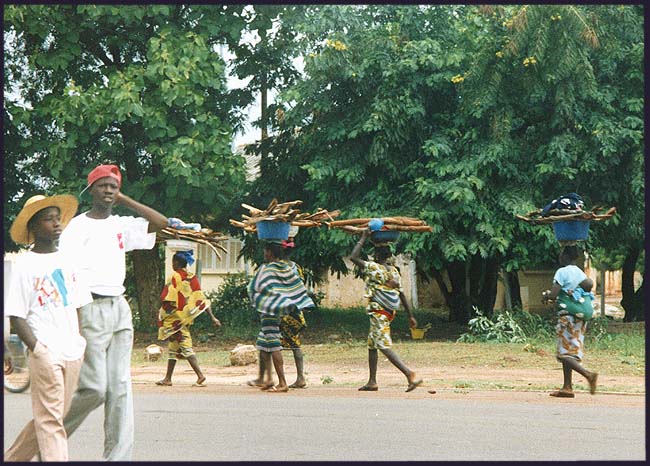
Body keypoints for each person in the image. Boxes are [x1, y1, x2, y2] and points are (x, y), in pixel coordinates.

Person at [56, 164, 168, 461]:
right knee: (94, 387)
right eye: (103, 185)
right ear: (90, 189)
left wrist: (126, 200)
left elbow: (161, 222)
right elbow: (64, 273)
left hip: (119, 307)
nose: (108, 190)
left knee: (120, 388)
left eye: (113, 186)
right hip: (89, 306)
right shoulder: (77, 227)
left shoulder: (121, 223)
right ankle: (52, 436)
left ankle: (117, 457)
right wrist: (74, 316)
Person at [4, 194, 92, 461]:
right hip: (46, 351)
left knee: (51, 417)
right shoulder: (25, 266)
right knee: (52, 421)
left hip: (72, 350)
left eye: (57, 218)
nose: (56, 224)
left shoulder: (68, 261)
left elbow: (78, 305)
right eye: (48, 219)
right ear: (33, 227)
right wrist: (39, 350)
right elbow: (17, 316)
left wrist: (80, 342)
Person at [350, 228, 422, 392]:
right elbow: (402, 295)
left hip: (379, 312)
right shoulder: (394, 272)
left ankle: (409, 373)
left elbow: (353, 257)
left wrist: (362, 238)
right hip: (389, 313)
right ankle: (372, 381)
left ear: (376, 255)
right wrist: (411, 316)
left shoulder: (374, 268)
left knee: (383, 345)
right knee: (372, 344)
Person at [247, 239, 315, 393]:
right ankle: (267, 379)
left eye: (266, 250)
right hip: (278, 311)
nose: (264, 253)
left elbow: (255, 287)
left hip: (269, 310)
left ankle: (282, 383)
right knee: (263, 344)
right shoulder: (287, 268)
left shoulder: (268, 269)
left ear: (270, 252)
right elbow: (294, 287)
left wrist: (261, 298)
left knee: (274, 345)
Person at [156, 250, 221, 387]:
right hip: (185, 319)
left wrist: (162, 314)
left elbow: (167, 299)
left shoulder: (174, 277)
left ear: (177, 263)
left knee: (186, 348)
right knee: (173, 348)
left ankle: (200, 376)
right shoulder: (192, 278)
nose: (172, 264)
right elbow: (200, 300)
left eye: (173, 262)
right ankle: (168, 379)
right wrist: (213, 317)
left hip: (175, 321)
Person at [542, 244, 598, 398]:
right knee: (570, 352)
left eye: (561, 254)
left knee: (563, 354)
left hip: (567, 317)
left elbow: (554, 294)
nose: (560, 257)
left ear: (566, 256)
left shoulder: (562, 272)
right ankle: (567, 387)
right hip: (579, 317)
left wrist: (546, 295)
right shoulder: (580, 272)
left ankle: (588, 375)